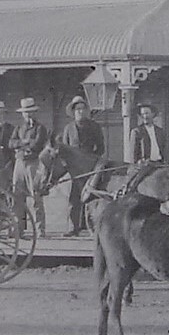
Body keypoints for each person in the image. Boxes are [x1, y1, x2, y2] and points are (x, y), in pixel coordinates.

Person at [60, 95, 105, 237]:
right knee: (74, 197)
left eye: (82, 109)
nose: (80, 111)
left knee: (92, 195)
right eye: (77, 109)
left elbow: (101, 147)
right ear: (73, 112)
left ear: (86, 111)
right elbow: (64, 149)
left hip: (90, 167)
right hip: (75, 169)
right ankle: (73, 228)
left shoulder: (94, 126)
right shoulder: (68, 128)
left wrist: (91, 159)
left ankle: (92, 227)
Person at [9, 97, 48, 238]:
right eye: (25, 112)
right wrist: (24, 143)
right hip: (19, 164)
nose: (28, 115)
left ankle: (40, 230)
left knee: (35, 196)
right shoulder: (19, 128)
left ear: (34, 112)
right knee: (16, 196)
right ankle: (18, 229)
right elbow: (11, 143)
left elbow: (37, 144)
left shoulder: (40, 128)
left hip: (33, 164)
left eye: (30, 112)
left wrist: (23, 144)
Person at [123, 102, 168, 194]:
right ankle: (128, 189)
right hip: (145, 163)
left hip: (160, 163)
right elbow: (133, 153)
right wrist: (136, 164)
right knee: (136, 180)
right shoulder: (137, 131)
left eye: (147, 113)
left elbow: (164, 147)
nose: (145, 116)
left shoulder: (160, 131)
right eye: (142, 114)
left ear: (153, 114)